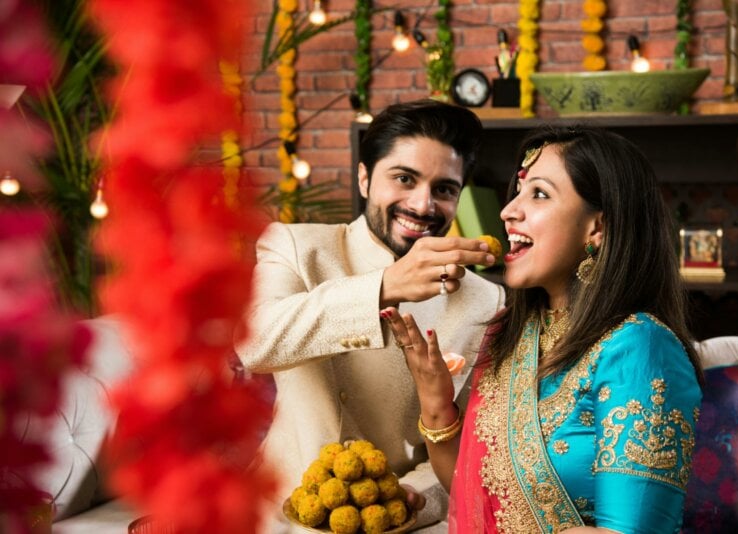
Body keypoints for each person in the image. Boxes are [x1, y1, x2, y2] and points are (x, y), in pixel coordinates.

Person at [382, 125, 704, 533]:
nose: (508, 211)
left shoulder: (639, 347)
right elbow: (476, 497)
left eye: (539, 194)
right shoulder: (510, 334)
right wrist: (435, 401)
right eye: (517, 191)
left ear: (598, 228)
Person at [235, 99, 505, 531]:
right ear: (364, 179)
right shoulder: (295, 246)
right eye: (404, 178)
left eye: (444, 189)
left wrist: (417, 496)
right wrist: (386, 286)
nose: (423, 205)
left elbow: (466, 441)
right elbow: (256, 344)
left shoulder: (483, 301)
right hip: (271, 514)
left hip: (393, 520)